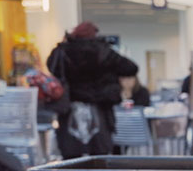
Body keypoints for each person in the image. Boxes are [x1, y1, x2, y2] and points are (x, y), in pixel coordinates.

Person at [46, 21, 138, 158]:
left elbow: (52, 67)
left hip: (69, 107)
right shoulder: (104, 52)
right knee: (100, 154)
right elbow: (131, 67)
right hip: (100, 106)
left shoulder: (62, 51)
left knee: (70, 154)